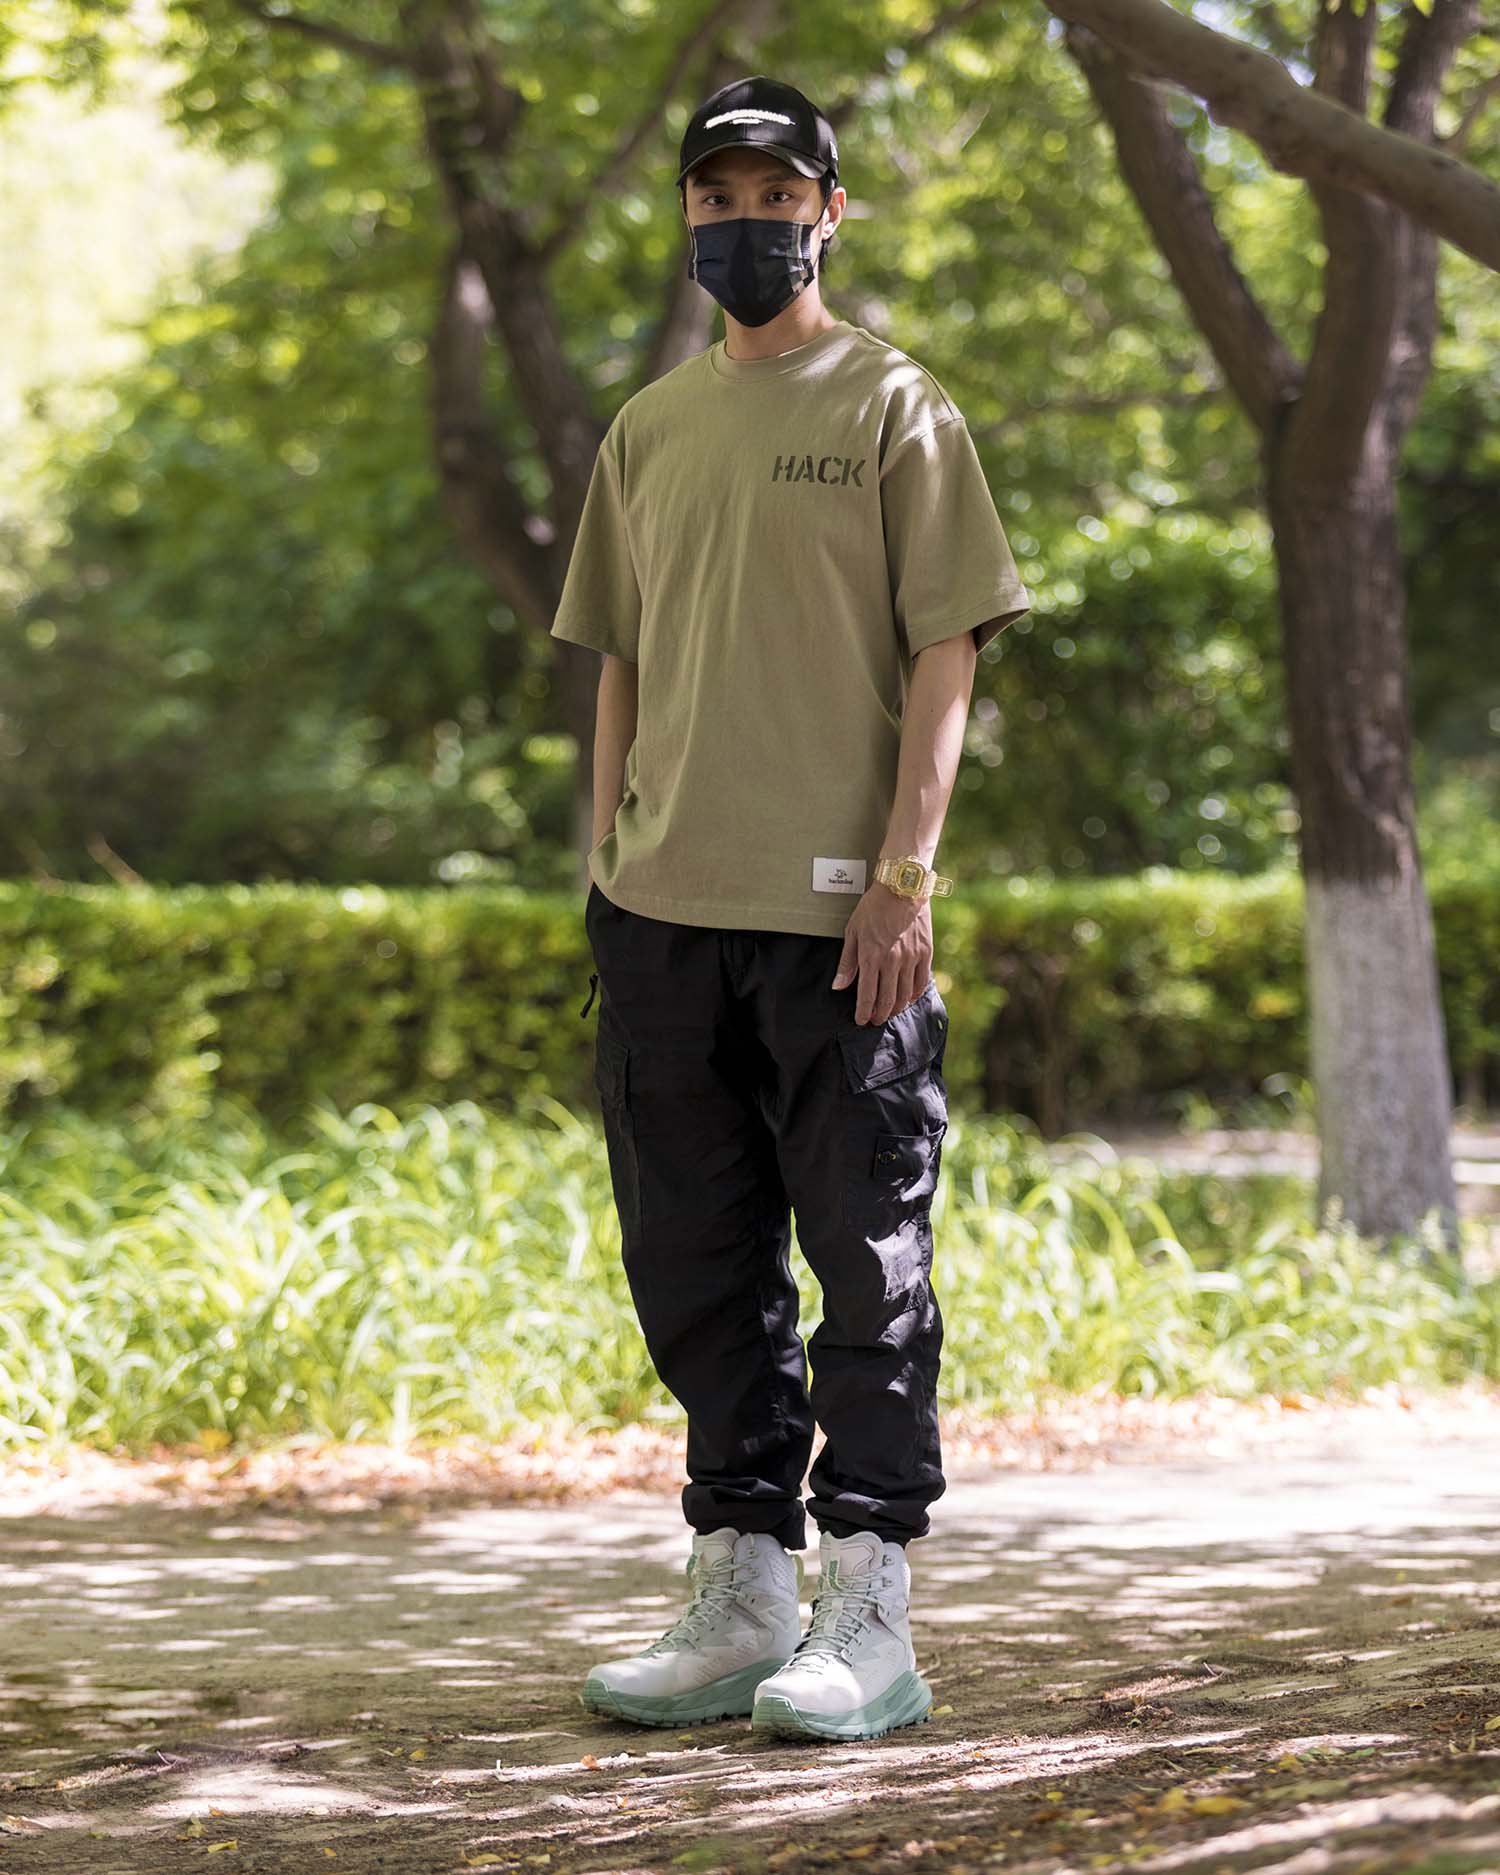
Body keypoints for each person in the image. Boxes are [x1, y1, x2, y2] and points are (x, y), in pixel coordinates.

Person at [550, 73, 1031, 1743]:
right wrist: (608, 864)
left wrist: (905, 874)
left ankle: (869, 1611)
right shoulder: (648, 429)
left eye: (775, 198)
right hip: (662, 912)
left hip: (843, 918)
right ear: (687, 214)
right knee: (694, 1263)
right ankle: (742, 1590)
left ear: (829, 211)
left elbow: (947, 651)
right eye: (717, 197)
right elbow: (620, 661)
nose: (744, 224)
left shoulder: (899, 404)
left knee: (866, 1263)